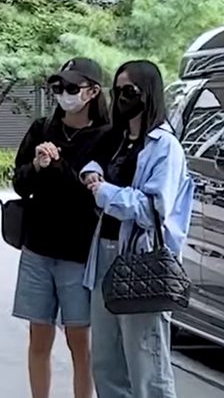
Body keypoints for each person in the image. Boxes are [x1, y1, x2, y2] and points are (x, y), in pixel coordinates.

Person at [81, 60, 194, 398]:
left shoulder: (165, 146)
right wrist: (91, 174)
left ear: (148, 92)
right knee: (106, 362)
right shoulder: (117, 139)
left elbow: (153, 209)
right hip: (104, 254)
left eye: (128, 91)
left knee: (147, 365)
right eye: (116, 91)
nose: (121, 98)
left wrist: (105, 193)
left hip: (142, 260)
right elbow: (93, 161)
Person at [12, 58, 111, 398]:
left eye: (71, 87)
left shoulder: (105, 136)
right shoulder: (42, 129)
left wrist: (59, 165)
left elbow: (92, 194)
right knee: (38, 337)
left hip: (79, 253)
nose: (63, 94)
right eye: (57, 87)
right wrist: (37, 166)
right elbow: (20, 184)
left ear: (92, 92)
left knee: (79, 341)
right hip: (37, 247)